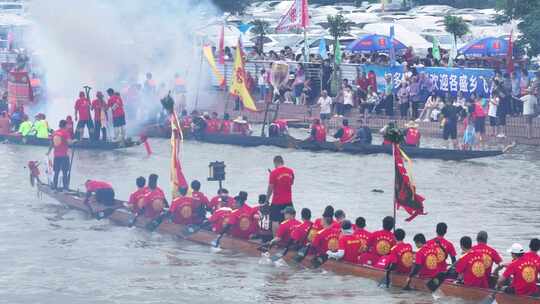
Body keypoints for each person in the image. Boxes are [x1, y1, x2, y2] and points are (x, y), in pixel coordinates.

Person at [266, 155, 294, 233]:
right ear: (282, 162)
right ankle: (287, 239)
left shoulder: (273, 173)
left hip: (277, 201)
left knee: (275, 220)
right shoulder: (290, 171)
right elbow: (291, 183)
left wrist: (267, 199)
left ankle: (276, 240)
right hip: (288, 201)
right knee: (289, 220)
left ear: (275, 163)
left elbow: (270, 188)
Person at [46, 120, 73, 191]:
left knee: (56, 172)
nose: (68, 126)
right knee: (64, 172)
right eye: (67, 125)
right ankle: (65, 188)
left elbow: (51, 143)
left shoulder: (55, 133)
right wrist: (75, 141)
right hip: (64, 155)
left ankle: (55, 187)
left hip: (56, 155)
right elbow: (69, 143)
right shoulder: (66, 133)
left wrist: (48, 152)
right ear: (65, 125)